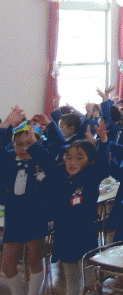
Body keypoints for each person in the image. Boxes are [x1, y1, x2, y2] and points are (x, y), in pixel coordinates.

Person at [0, 119, 55, 295]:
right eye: (19, 144)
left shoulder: (41, 160)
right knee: (7, 264)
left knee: (34, 259)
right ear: (13, 144)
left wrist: (36, 146)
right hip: (13, 218)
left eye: (29, 144)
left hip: (36, 217)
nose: (24, 149)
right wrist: (5, 127)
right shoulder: (8, 159)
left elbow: (51, 164)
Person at [50, 140, 109, 295]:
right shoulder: (61, 177)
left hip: (85, 234)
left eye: (79, 158)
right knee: (72, 280)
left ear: (90, 161)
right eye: (69, 158)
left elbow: (103, 167)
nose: (72, 162)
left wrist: (103, 142)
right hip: (64, 235)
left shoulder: (90, 177)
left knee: (91, 279)